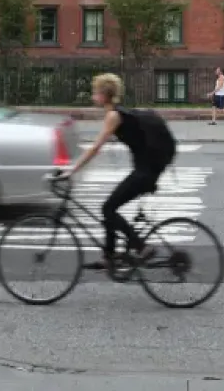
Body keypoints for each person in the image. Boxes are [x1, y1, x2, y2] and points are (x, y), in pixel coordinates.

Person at [60, 73, 177, 270]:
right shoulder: (117, 113)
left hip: (145, 172)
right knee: (109, 208)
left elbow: (95, 147)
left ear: (104, 94)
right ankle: (109, 256)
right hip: (146, 169)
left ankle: (141, 247)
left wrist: (72, 170)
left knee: (108, 208)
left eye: (95, 92)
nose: (93, 96)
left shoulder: (113, 116)